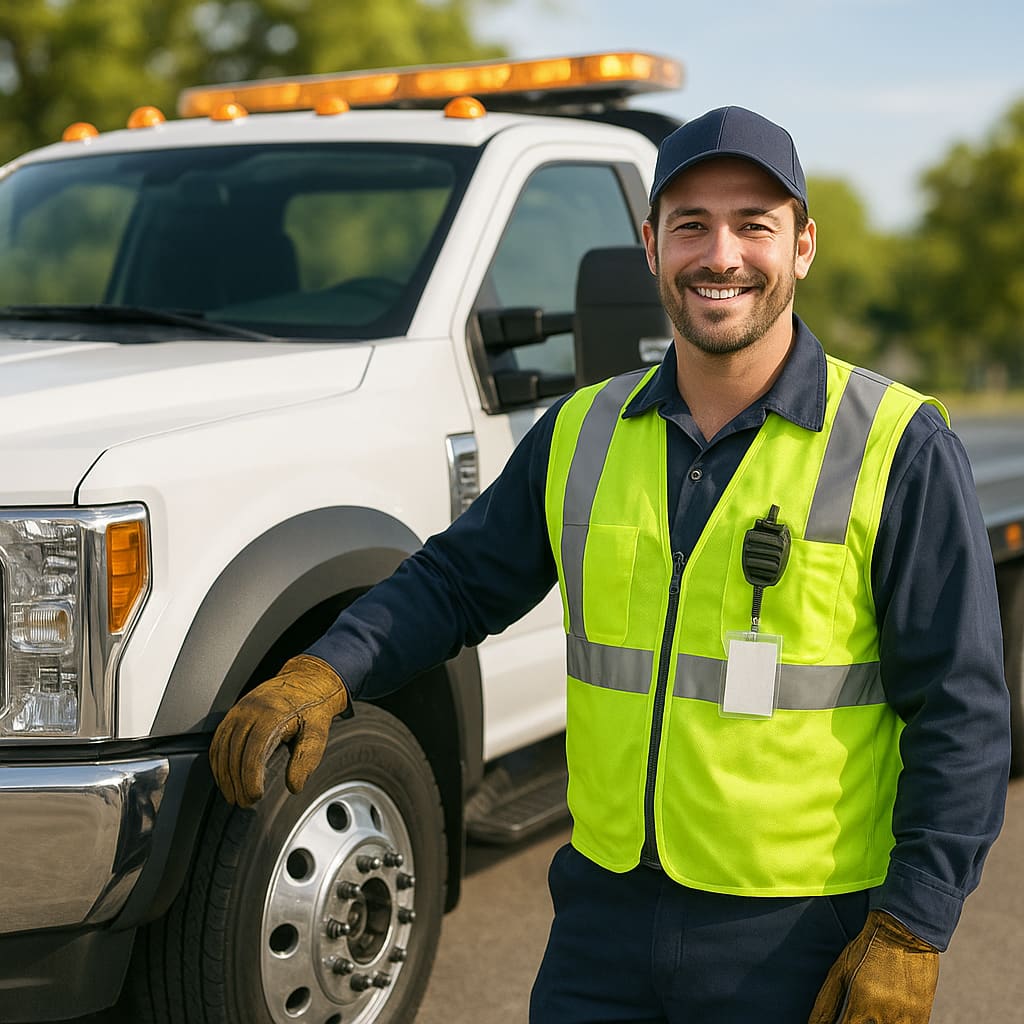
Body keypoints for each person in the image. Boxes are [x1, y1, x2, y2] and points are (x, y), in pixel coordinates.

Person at [210, 106, 1010, 1023]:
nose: (721, 256)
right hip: (603, 921)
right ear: (650, 244)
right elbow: (457, 583)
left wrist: (912, 927)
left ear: (802, 247)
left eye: (754, 225)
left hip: (796, 934)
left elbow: (962, 709)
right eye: (691, 225)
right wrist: (327, 669)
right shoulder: (581, 433)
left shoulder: (897, 446)